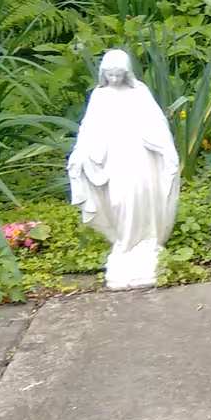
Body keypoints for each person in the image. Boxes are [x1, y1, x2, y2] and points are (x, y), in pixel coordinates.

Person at [68, 49, 181, 289]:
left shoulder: (139, 93)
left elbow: (156, 121)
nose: (115, 80)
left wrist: (165, 148)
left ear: (127, 72)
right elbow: (89, 128)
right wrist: (80, 153)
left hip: (140, 154)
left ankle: (147, 241)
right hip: (113, 157)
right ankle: (125, 244)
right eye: (110, 75)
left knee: (141, 195)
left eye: (119, 75)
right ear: (103, 74)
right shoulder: (100, 96)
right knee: (118, 200)